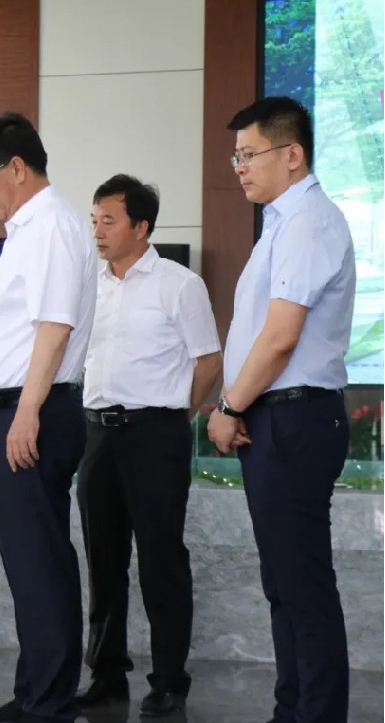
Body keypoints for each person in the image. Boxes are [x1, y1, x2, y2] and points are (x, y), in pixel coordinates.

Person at [208, 96, 355, 723]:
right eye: (235, 157)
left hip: (295, 418)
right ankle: (291, 709)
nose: (239, 167)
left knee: (301, 585)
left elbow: (279, 339)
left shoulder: (308, 221)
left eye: (249, 154)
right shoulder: (281, 223)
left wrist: (227, 405)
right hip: (276, 417)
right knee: (284, 584)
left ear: (292, 154)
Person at [0, 112, 97, 723]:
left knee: (37, 563)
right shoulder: (31, 229)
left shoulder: (51, 226)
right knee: (32, 560)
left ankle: (47, 704)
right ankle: (36, 694)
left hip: (27, 410)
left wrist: (26, 412)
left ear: (16, 167)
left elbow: (54, 326)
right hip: (15, 409)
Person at [76, 174, 222, 716]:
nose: (98, 230)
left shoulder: (178, 284)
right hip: (97, 434)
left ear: (141, 227)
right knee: (103, 558)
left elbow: (208, 360)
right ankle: (107, 674)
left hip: (154, 435)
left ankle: (168, 680)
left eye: (108, 221)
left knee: (161, 558)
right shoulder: (89, 285)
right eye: (94, 220)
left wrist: (174, 415)